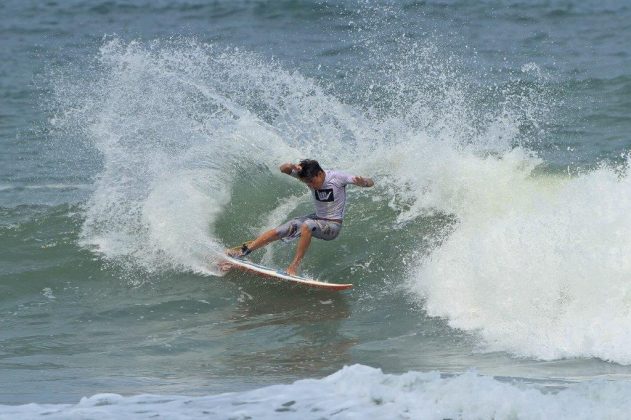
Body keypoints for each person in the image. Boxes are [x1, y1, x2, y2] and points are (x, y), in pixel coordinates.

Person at [227, 159, 374, 276]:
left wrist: (365, 182)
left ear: (320, 173)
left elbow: (368, 182)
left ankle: (293, 267)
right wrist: (291, 166)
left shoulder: (338, 178)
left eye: (312, 182)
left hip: (332, 226)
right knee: (281, 230)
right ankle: (243, 252)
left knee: (307, 225)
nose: (310, 185)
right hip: (317, 218)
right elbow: (283, 169)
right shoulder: (308, 176)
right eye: (307, 183)